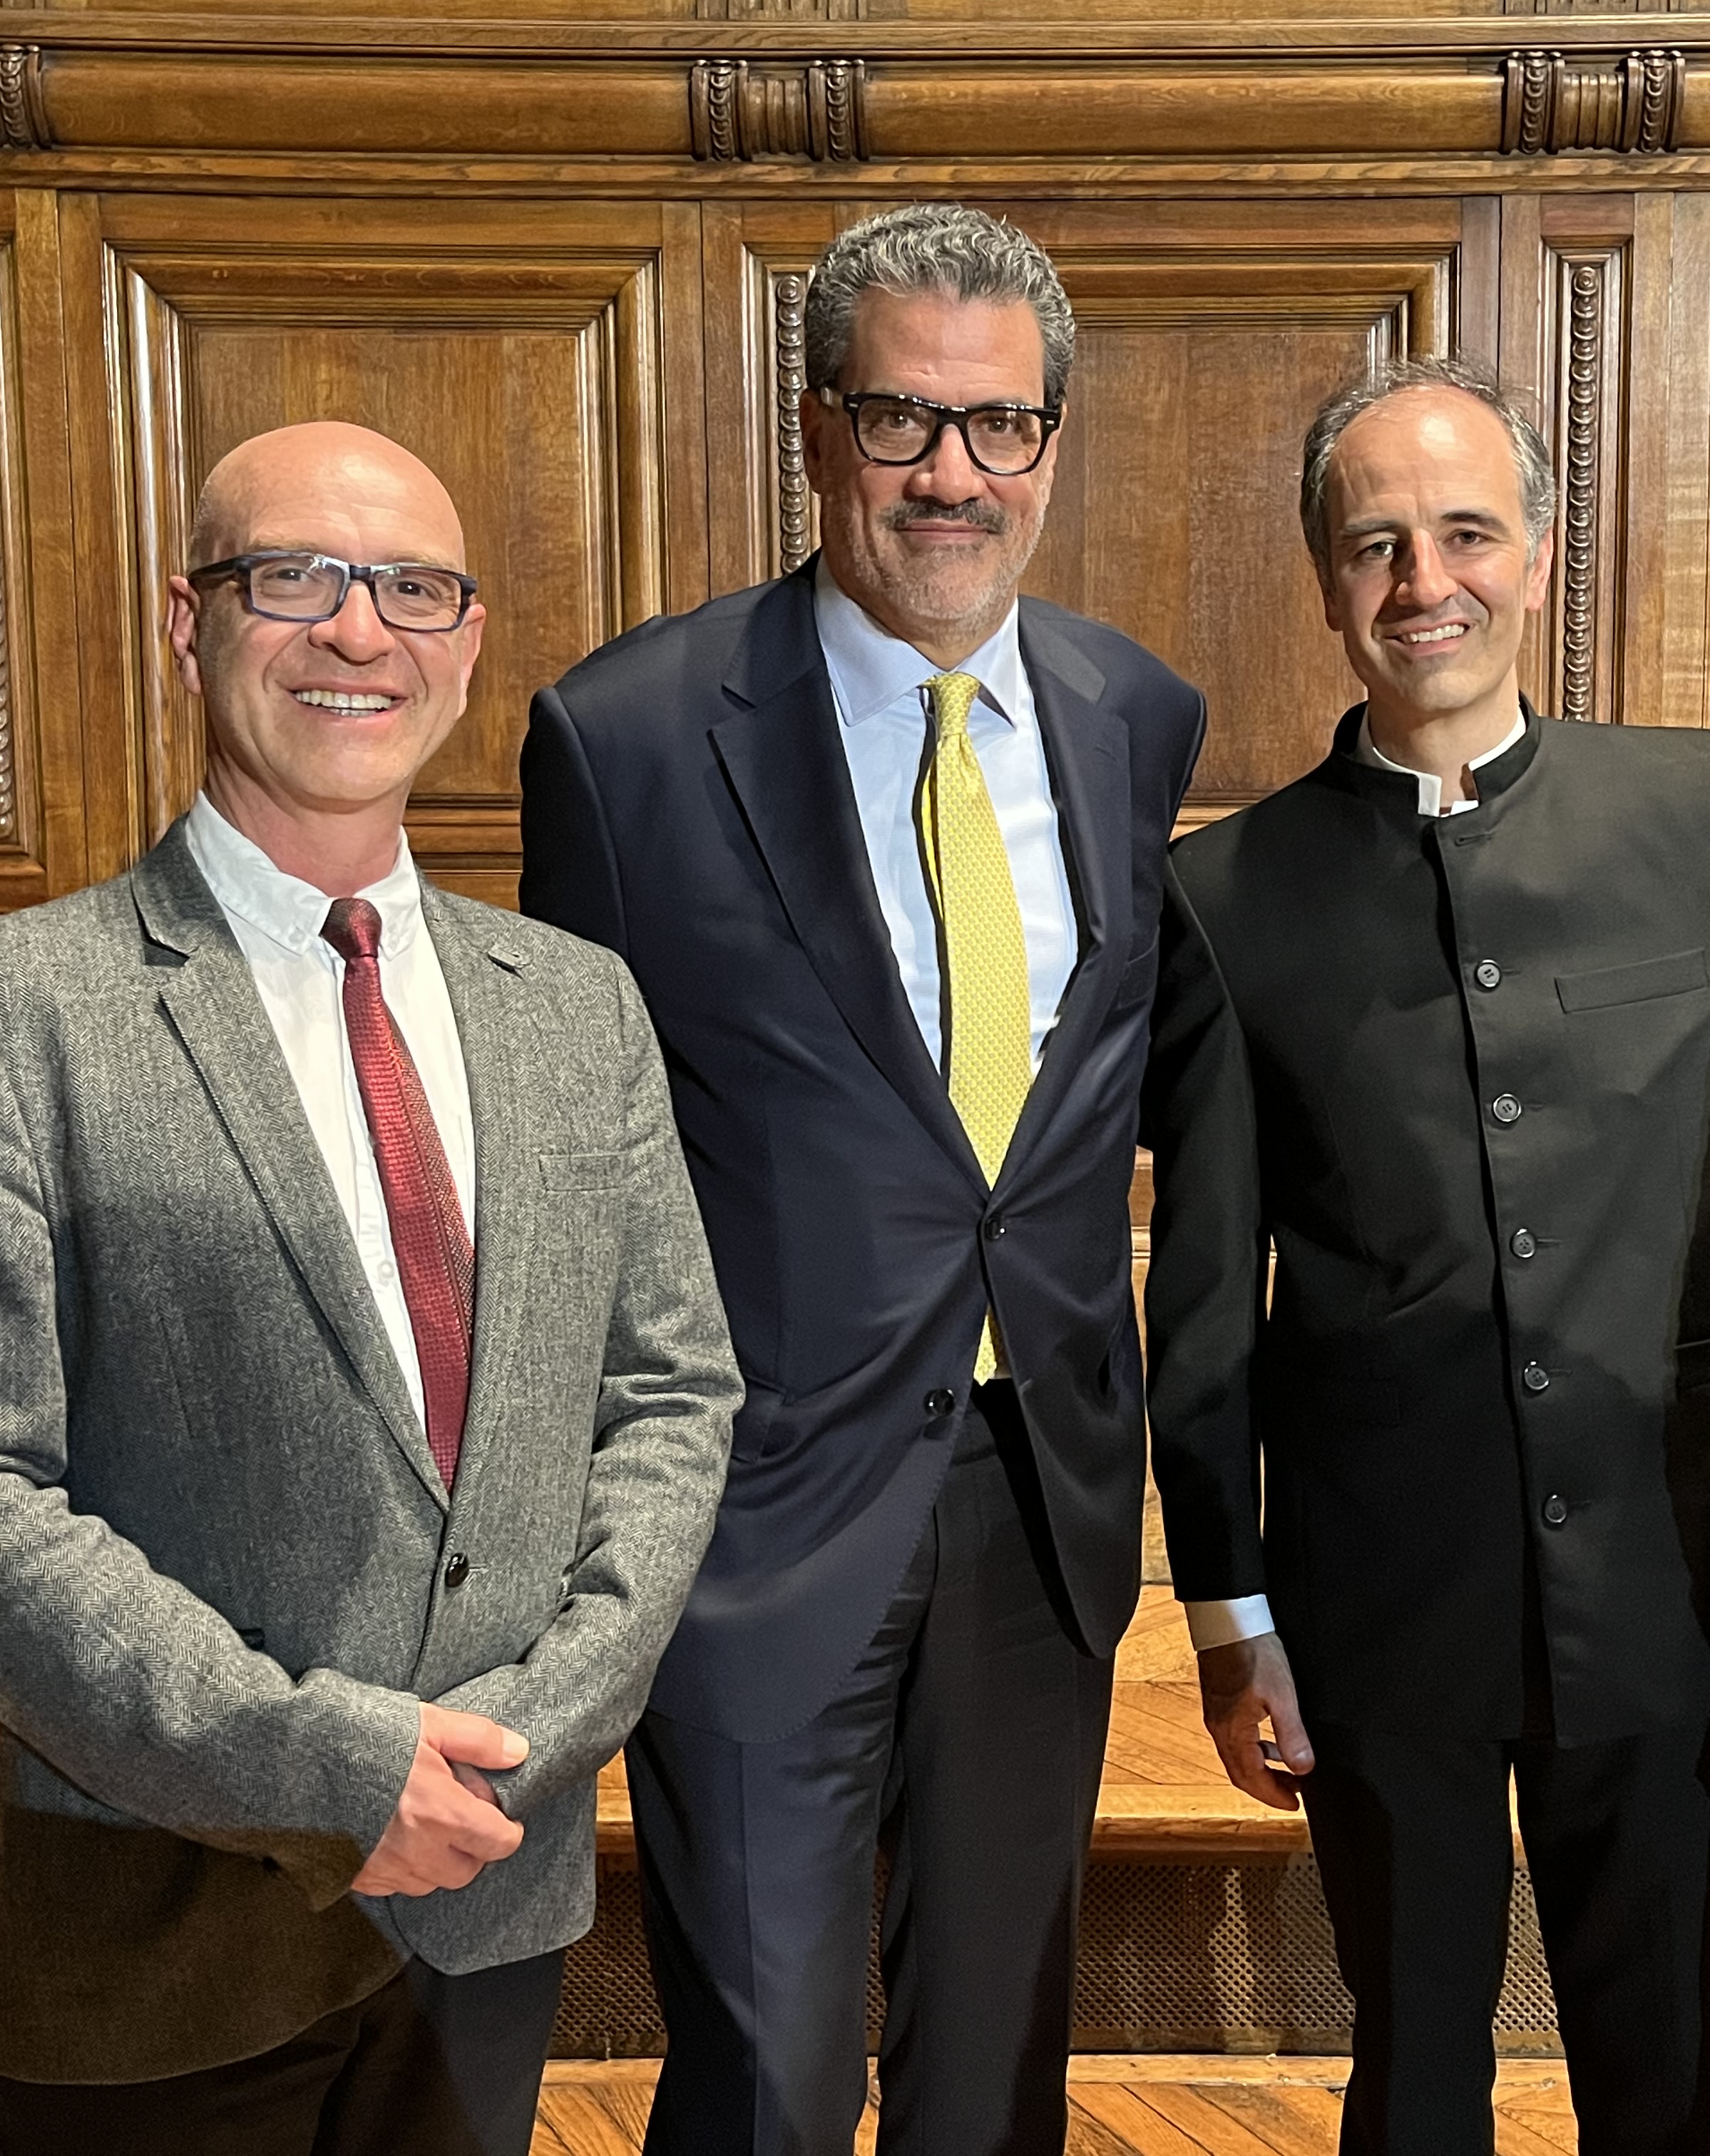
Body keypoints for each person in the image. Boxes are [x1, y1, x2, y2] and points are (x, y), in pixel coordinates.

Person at [0, 421, 741, 2156]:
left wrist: (532, 1736)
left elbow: (672, 1398)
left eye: (412, 587)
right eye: (294, 580)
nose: (356, 631)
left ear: (467, 642)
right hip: (162, 1953)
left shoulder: (577, 1006)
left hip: (491, 1906)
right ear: (189, 623)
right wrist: (321, 1776)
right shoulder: (4, 1016)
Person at [519, 204, 1205, 2153]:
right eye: (901, 419)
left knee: (996, 2065)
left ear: (1054, 442)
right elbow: (578, 1171)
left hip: (1038, 1492)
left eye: (1001, 426)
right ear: (816, 431)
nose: (953, 474)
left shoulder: (1131, 716)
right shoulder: (629, 738)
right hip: (754, 1507)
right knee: (769, 2068)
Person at [1138, 356, 1710, 2155]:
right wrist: (1233, 1614)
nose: (1424, 583)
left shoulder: (1695, 806)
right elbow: (1205, 1294)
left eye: (1466, 532)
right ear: (1324, 580)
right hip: (1381, 1597)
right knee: (1412, 2076)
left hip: (1680, 1569)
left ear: (1538, 555)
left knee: (1671, 2069)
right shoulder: (1224, 897)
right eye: (1376, 544)